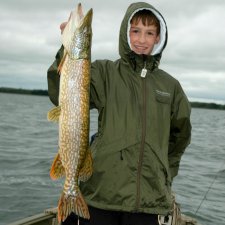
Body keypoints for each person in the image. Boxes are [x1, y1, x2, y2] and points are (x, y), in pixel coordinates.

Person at [47, 2, 191, 225]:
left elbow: (180, 137)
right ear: (126, 33)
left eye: (149, 33)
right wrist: (64, 49)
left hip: (150, 200)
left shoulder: (171, 86)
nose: (142, 39)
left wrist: (165, 172)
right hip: (101, 192)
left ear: (158, 38)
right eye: (135, 31)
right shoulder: (104, 72)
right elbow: (60, 91)